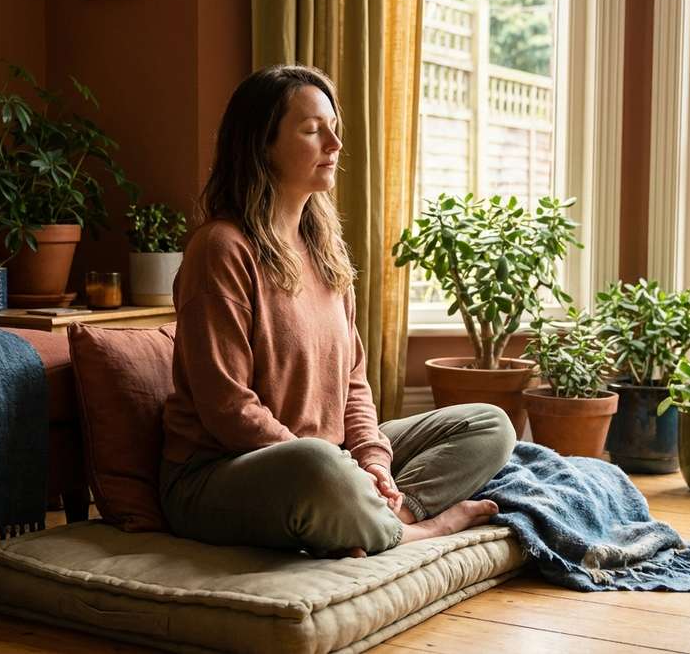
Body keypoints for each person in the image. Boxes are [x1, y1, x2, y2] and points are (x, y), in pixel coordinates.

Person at [160, 64, 516, 558]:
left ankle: (392, 514)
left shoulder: (323, 249)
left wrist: (373, 462)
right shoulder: (220, 249)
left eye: (334, 128)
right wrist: (339, 467)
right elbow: (228, 408)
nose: (334, 144)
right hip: (222, 473)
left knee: (490, 425)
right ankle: (420, 531)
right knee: (317, 468)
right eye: (311, 130)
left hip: (329, 460)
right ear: (261, 145)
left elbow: (353, 384)